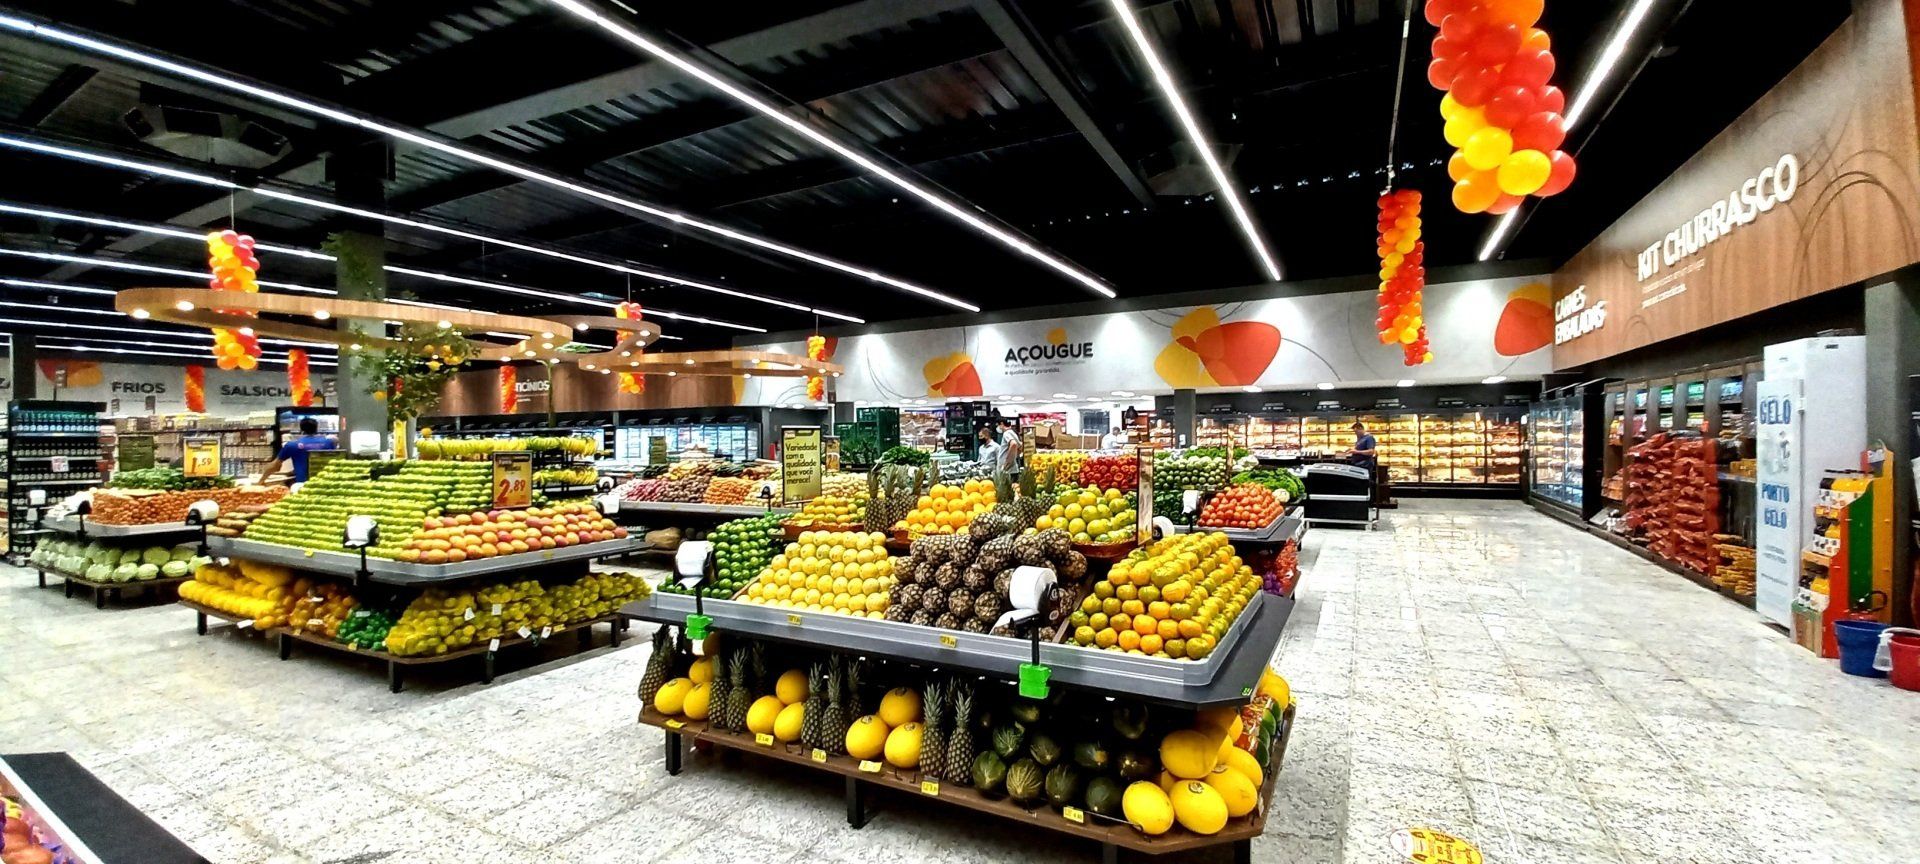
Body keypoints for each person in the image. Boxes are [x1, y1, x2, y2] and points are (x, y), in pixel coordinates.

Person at [262, 417, 337, 483]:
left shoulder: (292, 445)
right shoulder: (328, 443)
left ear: (301, 430)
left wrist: (261, 481)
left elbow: (274, 466)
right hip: (325, 483)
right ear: (316, 429)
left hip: (303, 485)